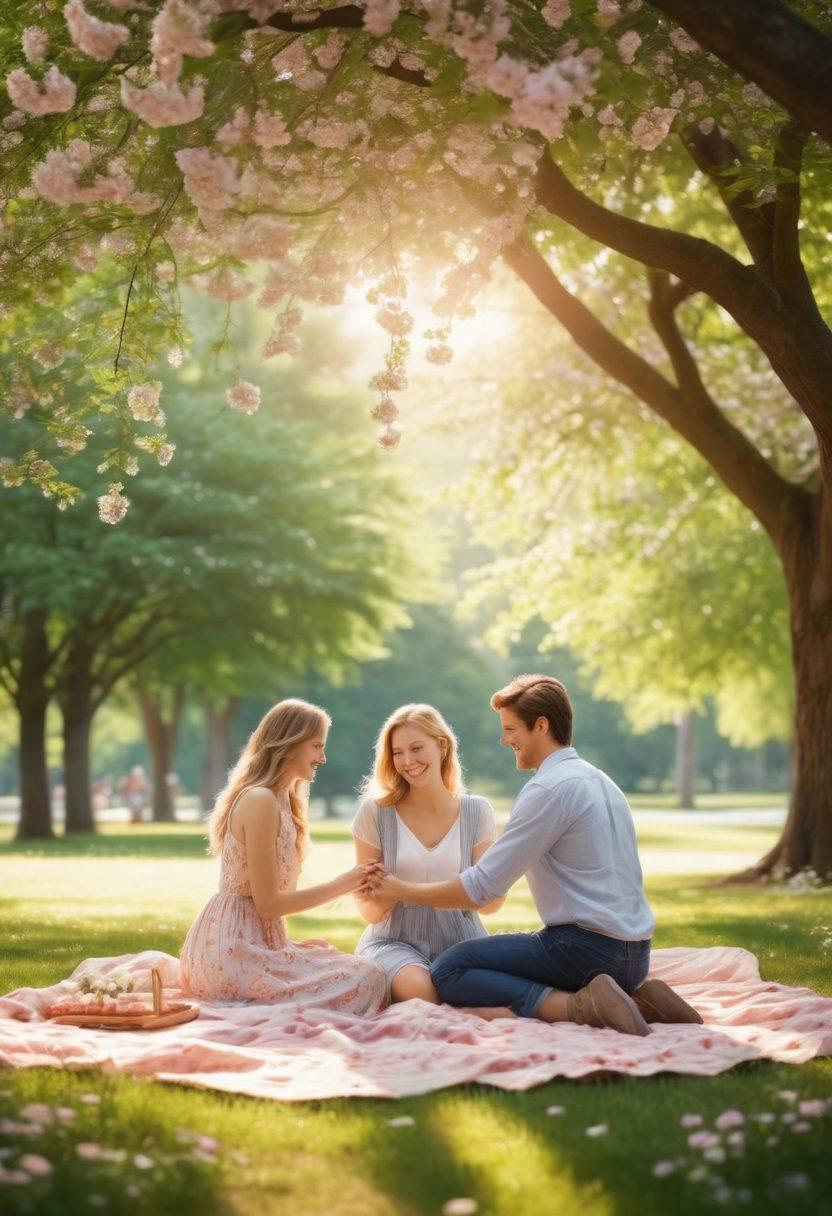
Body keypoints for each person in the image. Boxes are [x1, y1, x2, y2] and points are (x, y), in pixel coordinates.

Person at [370, 675, 702, 1035]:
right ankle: (639, 1001)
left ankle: (577, 1006)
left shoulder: (547, 789)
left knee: (452, 969)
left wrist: (399, 889)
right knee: (502, 952)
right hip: (636, 956)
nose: (504, 740)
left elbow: (481, 888)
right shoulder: (601, 781)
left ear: (540, 726)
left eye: (511, 729)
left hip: (587, 952)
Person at [180, 698, 386, 1015]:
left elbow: (274, 902)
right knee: (367, 977)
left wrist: (290, 948)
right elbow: (269, 904)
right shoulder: (260, 800)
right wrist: (346, 882)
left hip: (257, 944)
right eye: (316, 746)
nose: (323, 757)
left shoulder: (283, 801)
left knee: (358, 968)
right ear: (289, 744)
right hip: (231, 954)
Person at [352, 704, 507, 1012]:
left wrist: (398, 886)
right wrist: (383, 892)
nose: (407, 761)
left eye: (416, 748)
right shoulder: (375, 813)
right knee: (421, 990)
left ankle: (469, 1010)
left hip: (463, 941)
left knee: (508, 986)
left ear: (442, 745)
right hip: (393, 941)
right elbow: (369, 911)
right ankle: (475, 1014)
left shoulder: (477, 812)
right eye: (397, 753)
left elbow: (490, 904)